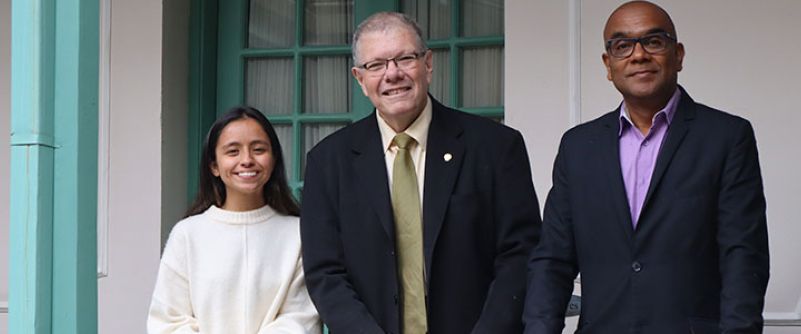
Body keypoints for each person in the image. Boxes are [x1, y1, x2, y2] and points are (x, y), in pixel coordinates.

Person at [524, 1, 769, 333]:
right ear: (608, 65)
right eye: (622, 45)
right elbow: (552, 259)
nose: (638, 55)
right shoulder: (578, 147)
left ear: (678, 54)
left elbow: (743, 256)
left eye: (653, 41)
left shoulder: (726, 138)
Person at [300, 11, 542, 334]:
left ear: (428, 63)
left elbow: (520, 253)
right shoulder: (328, 162)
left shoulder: (496, 147)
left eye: (405, 58)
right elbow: (325, 272)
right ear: (360, 79)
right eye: (376, 65)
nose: (393, 74)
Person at [147, 106, 321, 333]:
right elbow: (168, 321)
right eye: (232, 152)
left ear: (274, 159)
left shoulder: (298, 234)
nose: (247, 160)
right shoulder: (187, 235)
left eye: (258, 149)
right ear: (214, 166)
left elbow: (300, 318)